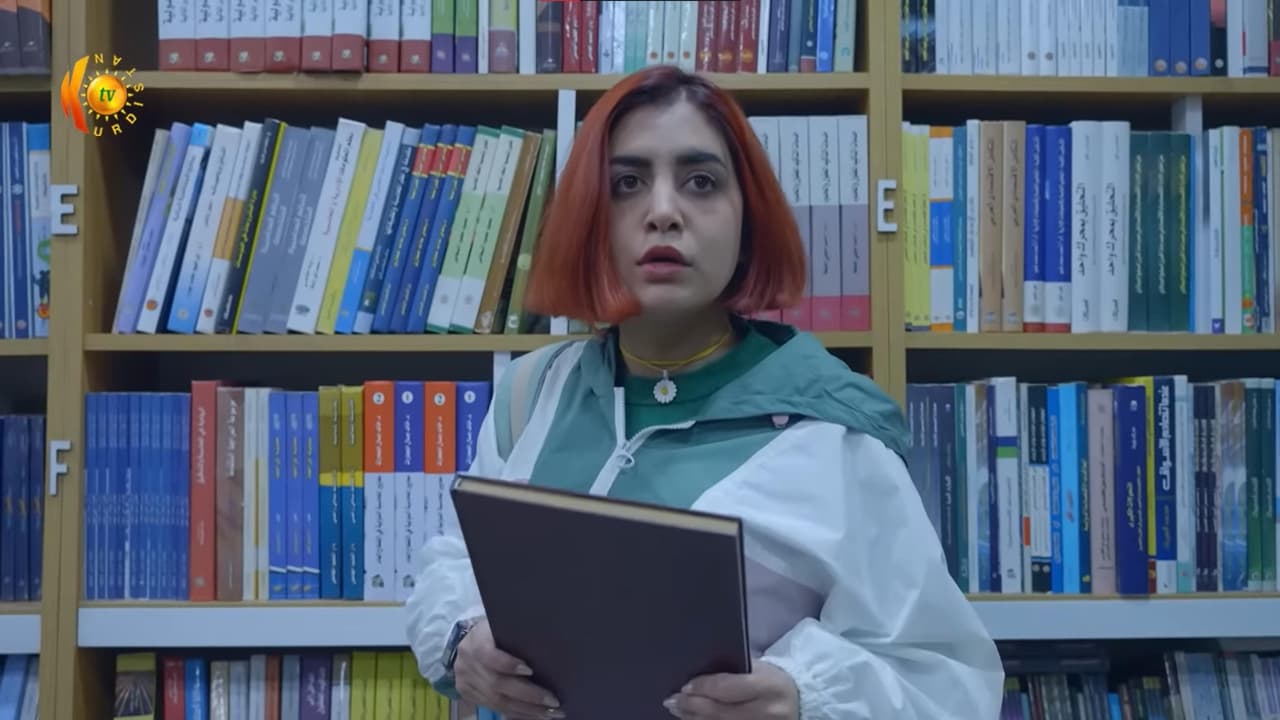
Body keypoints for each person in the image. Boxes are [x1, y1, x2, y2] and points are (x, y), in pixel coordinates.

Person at [405, 65, 1005, 720]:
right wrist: (464, 638)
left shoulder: (834, 436)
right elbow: (459, 562)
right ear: (588, 219)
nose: (663, 212)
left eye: (701, 182)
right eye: (627, 183)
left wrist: (803, 697)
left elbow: (945, 680)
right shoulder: (530, 395)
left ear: (748, 221)